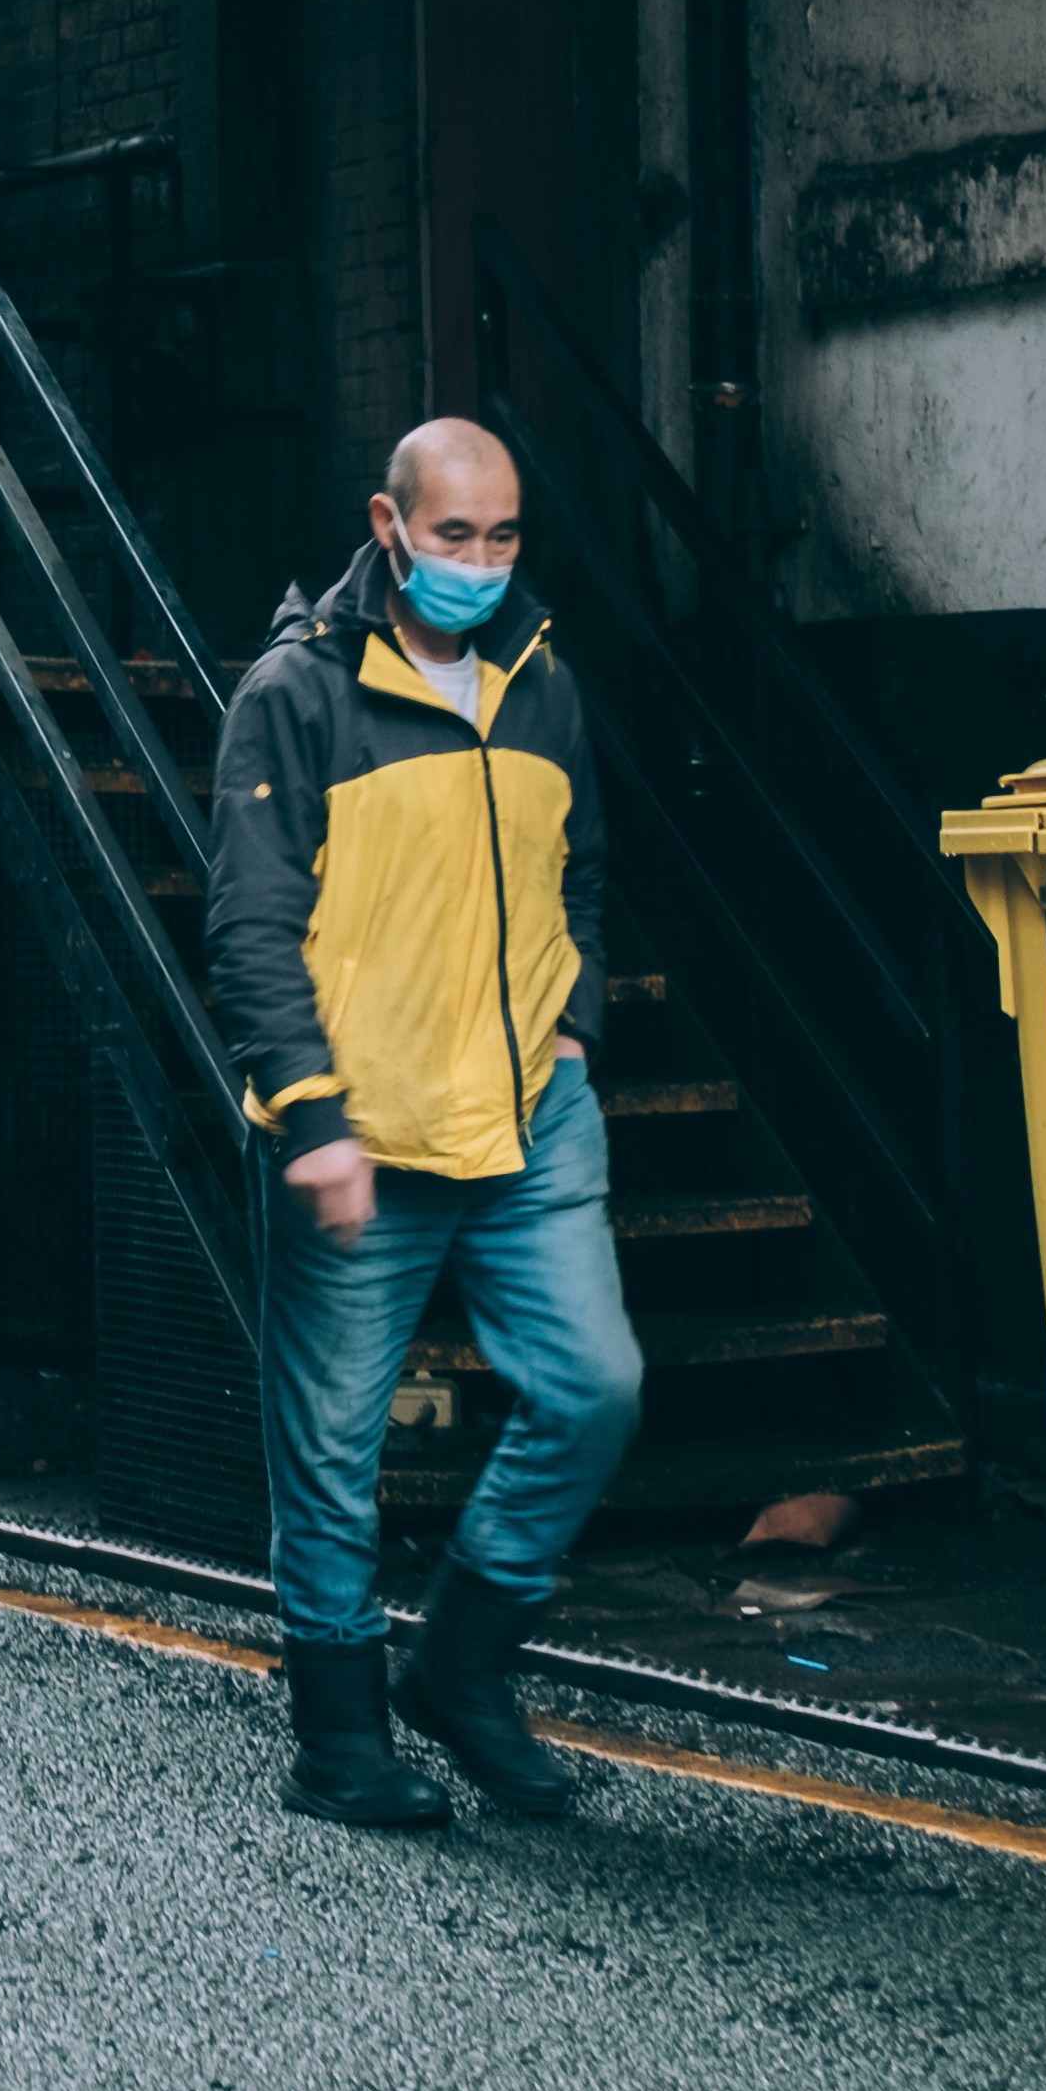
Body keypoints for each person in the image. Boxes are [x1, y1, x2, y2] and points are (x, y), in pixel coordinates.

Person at [200, 416, 646, 1825]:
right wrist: (316, 1114)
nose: (482, 561)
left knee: (594, 1391)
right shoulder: (298, 694)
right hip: (364, 1134)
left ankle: (459, 1668)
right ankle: (339, 1741)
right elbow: (250, 925)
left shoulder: (541, 679)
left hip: (527, 1121)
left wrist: (575, 1030)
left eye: (504, 534)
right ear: (388, 528)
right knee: (332, 1451)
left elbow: (580, 862)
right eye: (455, 534)